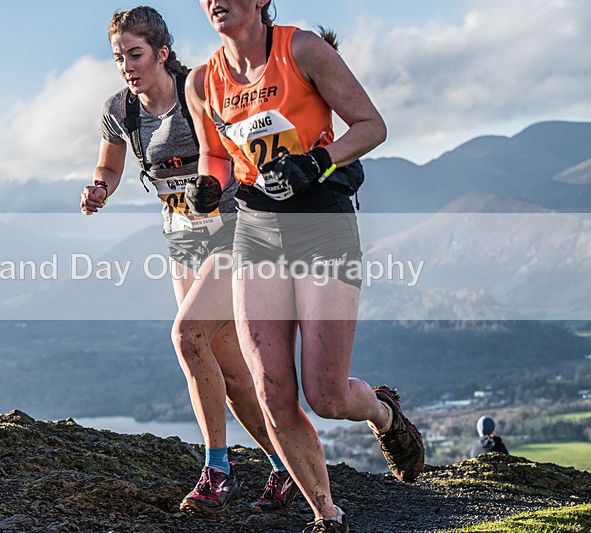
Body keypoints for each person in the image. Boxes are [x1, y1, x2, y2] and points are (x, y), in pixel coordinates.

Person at [185, 1, 426, 531]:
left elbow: (372, 125)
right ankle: (327, 515)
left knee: (327, 394)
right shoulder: (202, 81)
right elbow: (217, 156)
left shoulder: (302, 49)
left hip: (321, 224)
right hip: (257, 231)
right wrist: (209, 185)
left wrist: (316, 162)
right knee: (272, 389)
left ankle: (383, 412)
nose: (214, 1)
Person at [79, 6, 299, 514]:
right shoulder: (120, 109)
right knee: (230, 369)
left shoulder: (197, 91)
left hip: (233, 232)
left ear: (162, 52)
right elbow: (109, 165)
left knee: (186, 335)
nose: (127, 66)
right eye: (118, 58)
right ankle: (285, 467)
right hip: (181, 240)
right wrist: (99, 189)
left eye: (135, 55)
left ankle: (217, 469)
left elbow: (242, 150)